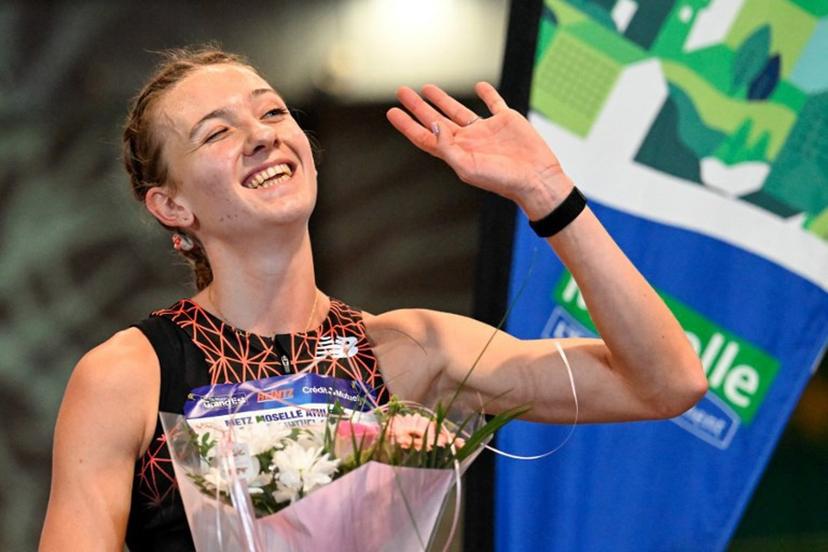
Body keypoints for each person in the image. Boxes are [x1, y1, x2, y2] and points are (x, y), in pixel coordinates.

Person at [39, 47, 706, 551]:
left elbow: (666, 383)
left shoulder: (412, 350)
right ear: (170, 204)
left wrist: (549, 194)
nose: (264, 133)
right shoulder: (127, 376)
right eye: (217, 132)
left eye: (273, 111)